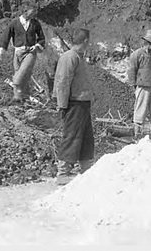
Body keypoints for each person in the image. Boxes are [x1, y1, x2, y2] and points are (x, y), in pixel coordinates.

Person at [53, 29, 95, 186]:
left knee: (86, 137)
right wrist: (62, 104)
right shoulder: (69, 57)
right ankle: (63, 172)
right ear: (85, 41)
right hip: (74, 102)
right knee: (72, 136)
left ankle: (86, 167)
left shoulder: (79, 57)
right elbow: (63, 82)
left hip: (83, 102)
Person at [0, 0, 46, 103]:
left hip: (30, 52)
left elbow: (42, 38)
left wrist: (37, 46)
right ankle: (20, 99)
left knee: (19, 76)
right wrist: (2, 50)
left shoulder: (35, 23)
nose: (34, 14)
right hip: (17, 53)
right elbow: (6, 37)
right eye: (32, 11)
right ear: (25, 11)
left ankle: (18, 95)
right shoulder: (14, 23)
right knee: (22, 76)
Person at [127, 29, 151, 141]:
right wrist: (133, 85)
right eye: (150, 43)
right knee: (140, 109)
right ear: (145, 42)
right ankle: (137, 133)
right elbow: (132, 70)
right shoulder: (137, 55)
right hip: (142, 85)